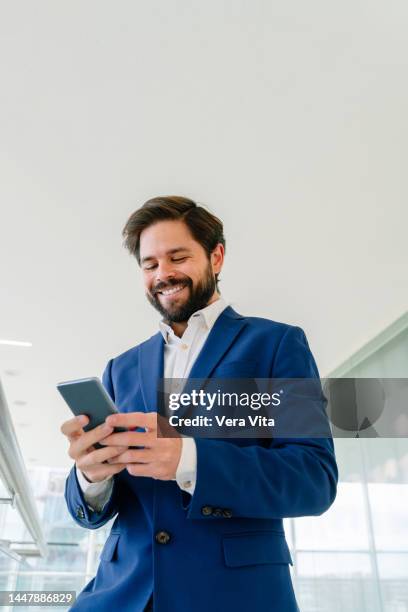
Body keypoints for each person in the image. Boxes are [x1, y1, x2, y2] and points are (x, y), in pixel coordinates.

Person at [61, 196, 338, 612]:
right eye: (150, 264)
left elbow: (313, 480)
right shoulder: (121, 367)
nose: (163, 274)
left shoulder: (276, 344)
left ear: (216, 256)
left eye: (178, 257)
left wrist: (188, 458)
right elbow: (91, 513)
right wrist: (90, 476)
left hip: (234, 596)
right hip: (120, 596)